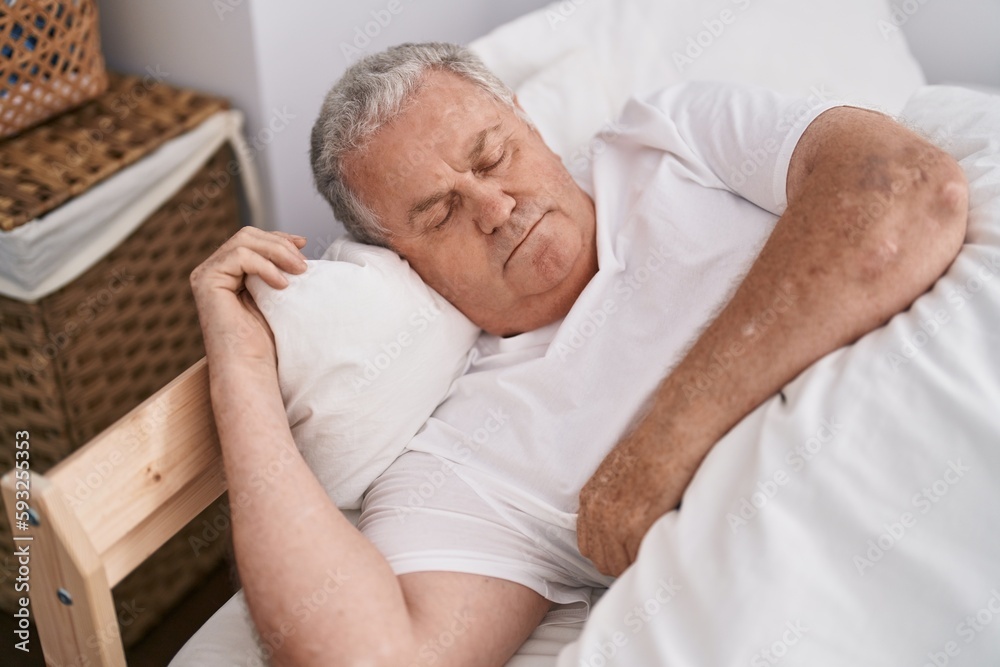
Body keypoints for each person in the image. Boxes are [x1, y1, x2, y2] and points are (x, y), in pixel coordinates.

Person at [187, 42, 967, 667]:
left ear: (527, 122)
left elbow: (907, 186)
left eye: (491, 156)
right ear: (400, 263)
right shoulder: (467, 452)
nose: (496, 209)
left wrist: (665, 444)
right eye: (439, 213)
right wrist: (244, 373)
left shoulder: (673, 138)